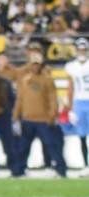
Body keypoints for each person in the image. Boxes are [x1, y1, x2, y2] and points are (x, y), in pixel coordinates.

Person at [12, 53, 66, 178]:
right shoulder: (25, 80)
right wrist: (15, 116)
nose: (35, 67)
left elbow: (53, 99)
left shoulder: (47, 80)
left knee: (52, 146)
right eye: (33, 64)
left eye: (37, 64)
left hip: (43, 119)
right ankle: (19, 170)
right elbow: (20, 99)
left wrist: (52, 116)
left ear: (41, 65)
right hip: (27, 119)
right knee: (23, 147)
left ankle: (61, 169)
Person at [65, 37, 89, 176]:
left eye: (84, 49)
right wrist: (70, 107)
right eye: (80, 49)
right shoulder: (71, 66)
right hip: (79, 102)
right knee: (82, 135)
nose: (82, 52)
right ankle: (86, 165)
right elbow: (70, 87)